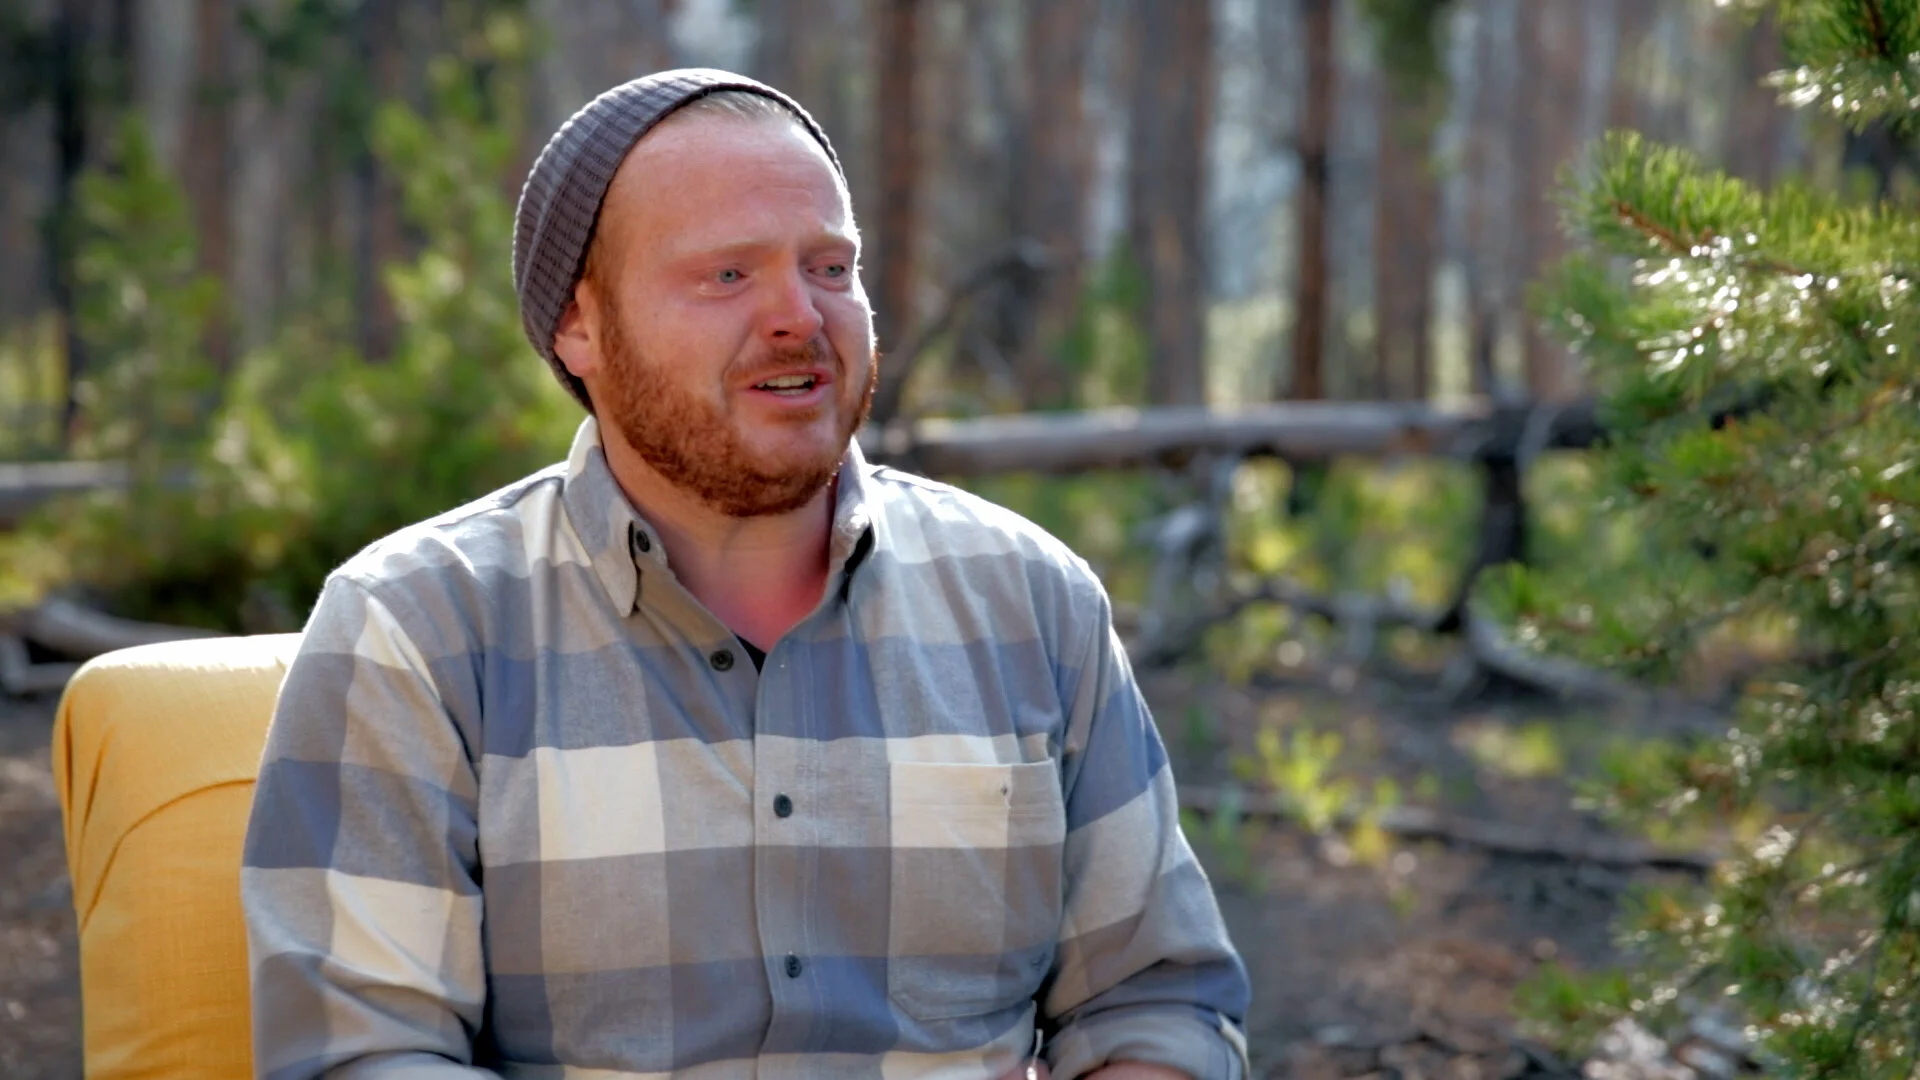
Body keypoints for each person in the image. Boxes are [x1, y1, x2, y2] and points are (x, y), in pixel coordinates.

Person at [241, 68, 1250, 1080]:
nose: (798, 317)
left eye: (830, 267)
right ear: (578, 325)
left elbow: (1157, 1000)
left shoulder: (1031, 604)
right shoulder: (414, 630)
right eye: (728, 275)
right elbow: (364, 1056)